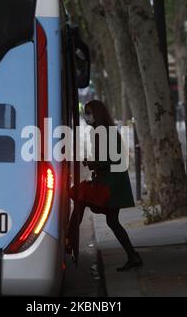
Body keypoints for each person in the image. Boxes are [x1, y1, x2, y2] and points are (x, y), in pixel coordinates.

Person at [67, 100, 143, 272]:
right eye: (86, 113)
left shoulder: (105, 133)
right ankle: (133, 256)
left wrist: (92, 163)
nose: (87, 116)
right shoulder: (104, 131)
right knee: (112, 221)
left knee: (80, 198)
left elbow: (109, 159)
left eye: (89, 112)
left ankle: (69, 241)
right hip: (111, 182)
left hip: (110, 185)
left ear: (98, 113)